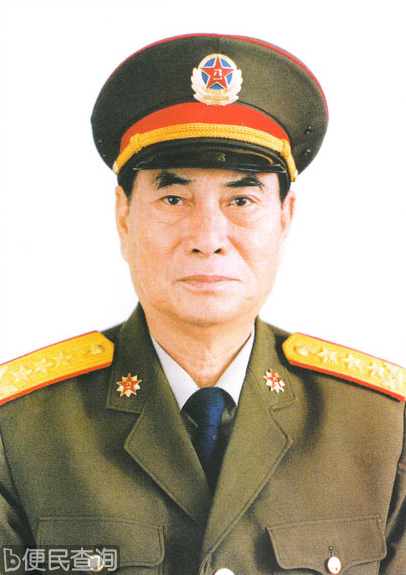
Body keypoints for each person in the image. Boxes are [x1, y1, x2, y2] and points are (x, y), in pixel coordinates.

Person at [0, 34, 405, 575]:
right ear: (124, 216)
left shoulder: (379, 429)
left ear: (284, 218)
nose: (208, 237)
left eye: (241, 200)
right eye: (174, 198)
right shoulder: (20, 430)